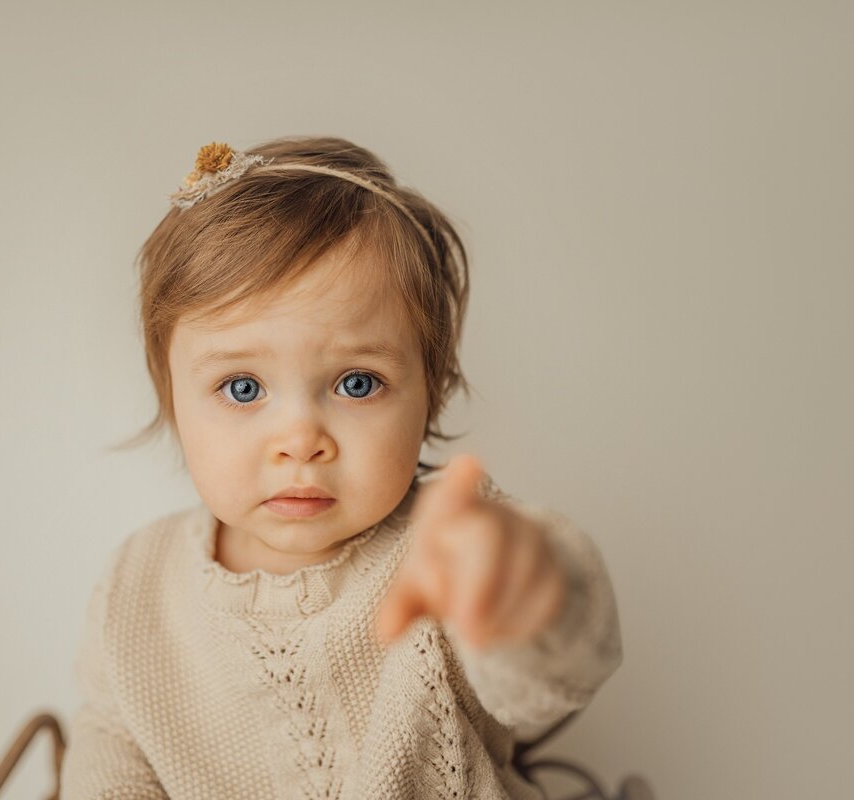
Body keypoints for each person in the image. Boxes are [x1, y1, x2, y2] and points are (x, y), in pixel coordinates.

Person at [59, 137, 623, 799]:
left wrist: (528, 590)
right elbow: (109, 750)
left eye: (358, 384)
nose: (300, 440)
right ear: (174, 401)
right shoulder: (136, 587)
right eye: (243, 388)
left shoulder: (446, 543)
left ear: (431, 391)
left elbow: (547, 682)